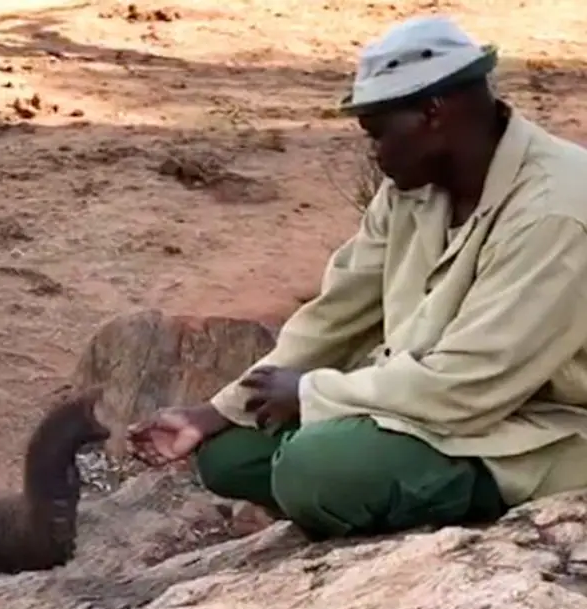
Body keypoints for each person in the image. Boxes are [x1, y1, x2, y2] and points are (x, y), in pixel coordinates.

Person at [127, 15, 587, 541]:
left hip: (540, 430)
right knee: (228, 455)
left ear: (432, 112)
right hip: (429, 403)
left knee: (314, 469)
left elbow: (471, 384)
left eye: (379, 134)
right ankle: (380, 482)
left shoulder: (557, 211)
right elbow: (337, 315)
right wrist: (219, 409)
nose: (374, 154)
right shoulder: (413, 191)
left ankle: (440, 502)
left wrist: (315, 393)